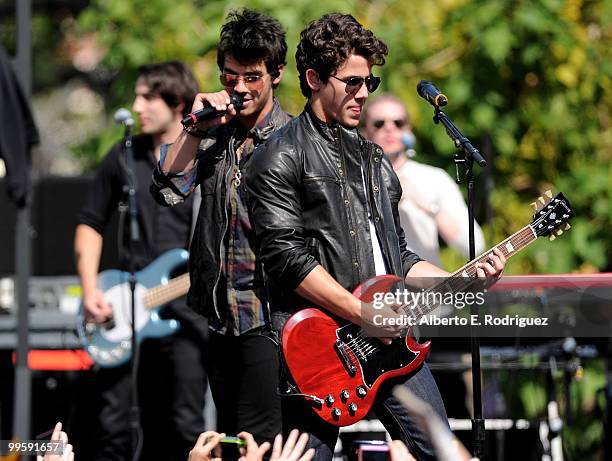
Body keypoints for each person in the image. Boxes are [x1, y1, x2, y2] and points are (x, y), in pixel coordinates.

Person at [246, 13, 506, 461]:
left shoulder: (374, 160)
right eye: (351, 82)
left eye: (370, 81)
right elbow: (286, 259)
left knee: (444, 452)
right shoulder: (278, 156)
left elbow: (397, 257)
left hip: (390, 343)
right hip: (317, 350)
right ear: (313, 78)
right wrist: (361, 312)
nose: (363, 93)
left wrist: (461, 280)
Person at [150, 9, 291, 445]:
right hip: (221, 319)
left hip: (270, 318)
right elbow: (166, 188)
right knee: (229, 443)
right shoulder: (212, 134)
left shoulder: (293, 139)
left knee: (262, 446)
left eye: (252, 77)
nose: (239, 88)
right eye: (230, 76)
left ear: (276, 75)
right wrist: (193, 125)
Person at [74, 61, 208, 461]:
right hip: (124, 307)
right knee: (114, 426)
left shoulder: (204, 156)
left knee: (185, 424)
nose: (137, 106)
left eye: (148, 96)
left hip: (187, 307)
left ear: (178, 103)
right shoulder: (123, 155)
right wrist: (89, 289)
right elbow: (89, 222)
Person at [362, 94, 485, 267]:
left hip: (425, 289)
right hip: (373, 290)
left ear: (408, 129)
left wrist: (426, 205)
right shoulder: (354, 177)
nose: (389, 128)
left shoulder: (433, 177)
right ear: (365, 130)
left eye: (398, 123)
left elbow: (475, 246)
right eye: (379, 123)